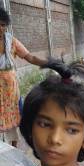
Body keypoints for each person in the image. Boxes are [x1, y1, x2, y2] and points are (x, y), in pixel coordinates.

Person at [0, 7, 48, 147]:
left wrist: (48, 63)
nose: (0, 28)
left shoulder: (12, 42)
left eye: (3, 25)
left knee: (12, 124)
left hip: (10, 92)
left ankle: (12, 152)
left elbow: (30, 57)